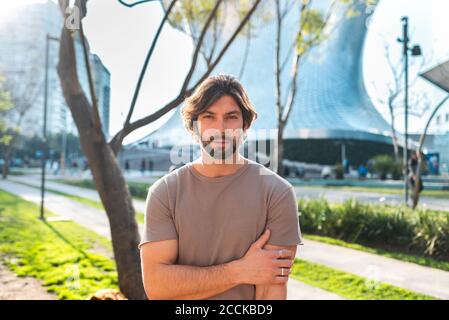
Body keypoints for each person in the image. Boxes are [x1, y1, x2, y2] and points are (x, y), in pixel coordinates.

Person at [139, 75, 303, 300]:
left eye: (231, 117)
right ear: (195, 126)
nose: (220, 128)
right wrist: (240, 271)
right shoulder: (164, 192)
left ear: (245, 124)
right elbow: (157, 286)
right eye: (209, 117)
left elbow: (271, 290)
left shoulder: (277, 193)